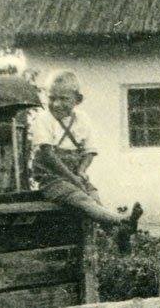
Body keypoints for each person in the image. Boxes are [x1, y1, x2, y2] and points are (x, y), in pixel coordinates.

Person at [30, 71, 143, 253]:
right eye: (52, 98)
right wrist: (73, 179)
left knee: (94, 197)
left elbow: (89, 151)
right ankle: (121, 220)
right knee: (82, 199)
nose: (56, 104)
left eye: (64, 99)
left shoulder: (82, 119)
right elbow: (48, 155)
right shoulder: (43, 119)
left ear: (77, 100)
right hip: (52, 179)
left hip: (75, 175)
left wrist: (81, 171)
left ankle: (119, 234)